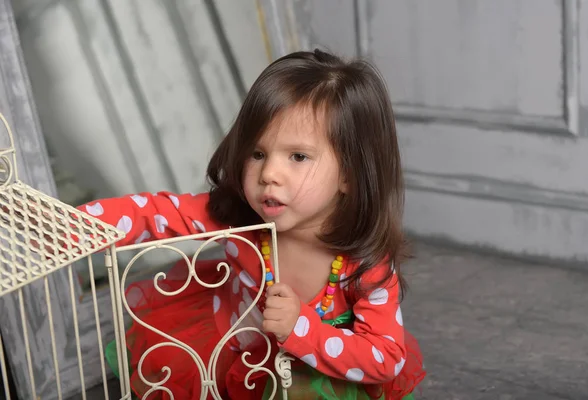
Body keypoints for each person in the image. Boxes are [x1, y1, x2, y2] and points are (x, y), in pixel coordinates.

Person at [79, 49, 426, 399]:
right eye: (257, 154)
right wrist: (77, 225)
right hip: (231, 349)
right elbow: (154, 212)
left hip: (315, 369)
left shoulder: (365, 264)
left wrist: (299, 328)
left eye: (298, 157)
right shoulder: (238, 219)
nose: (269, 174)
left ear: (349, 176)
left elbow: (386, 357)